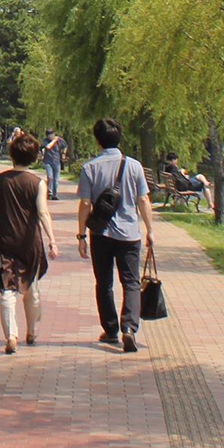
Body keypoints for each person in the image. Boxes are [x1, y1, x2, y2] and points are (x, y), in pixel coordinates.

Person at [76, 117, 153, 352]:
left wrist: (81, 236)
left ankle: (110, 329)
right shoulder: (134, 166)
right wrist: (150, 230)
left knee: (104, 282)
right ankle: (129, 328)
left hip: (101, 234)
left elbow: (86, 204)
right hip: (130, 234)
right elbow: (143, 199)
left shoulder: (90, 168)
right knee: (130, 281)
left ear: (98, 141)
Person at [0, 131, 56, 353]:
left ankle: (11, 336)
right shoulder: (38, 183)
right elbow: (43, 213)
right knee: (31, 288)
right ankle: (31, 331)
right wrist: (52, 240)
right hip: (30, 243)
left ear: (12, 155)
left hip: (5, 241)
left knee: (8, 290)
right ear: (34, 157)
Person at [41, 130, 66, 201]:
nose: (51, 136)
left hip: (56, 161)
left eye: (52, 134)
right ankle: (50, 193)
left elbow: (65, 146)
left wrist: (63, 154)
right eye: (49, 135)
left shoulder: (59, 140)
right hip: (48, 162)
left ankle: (55, 195)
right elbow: (48, 147)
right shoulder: (45, 141)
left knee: (56, 179)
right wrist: (54, 140)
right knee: (50, 177)